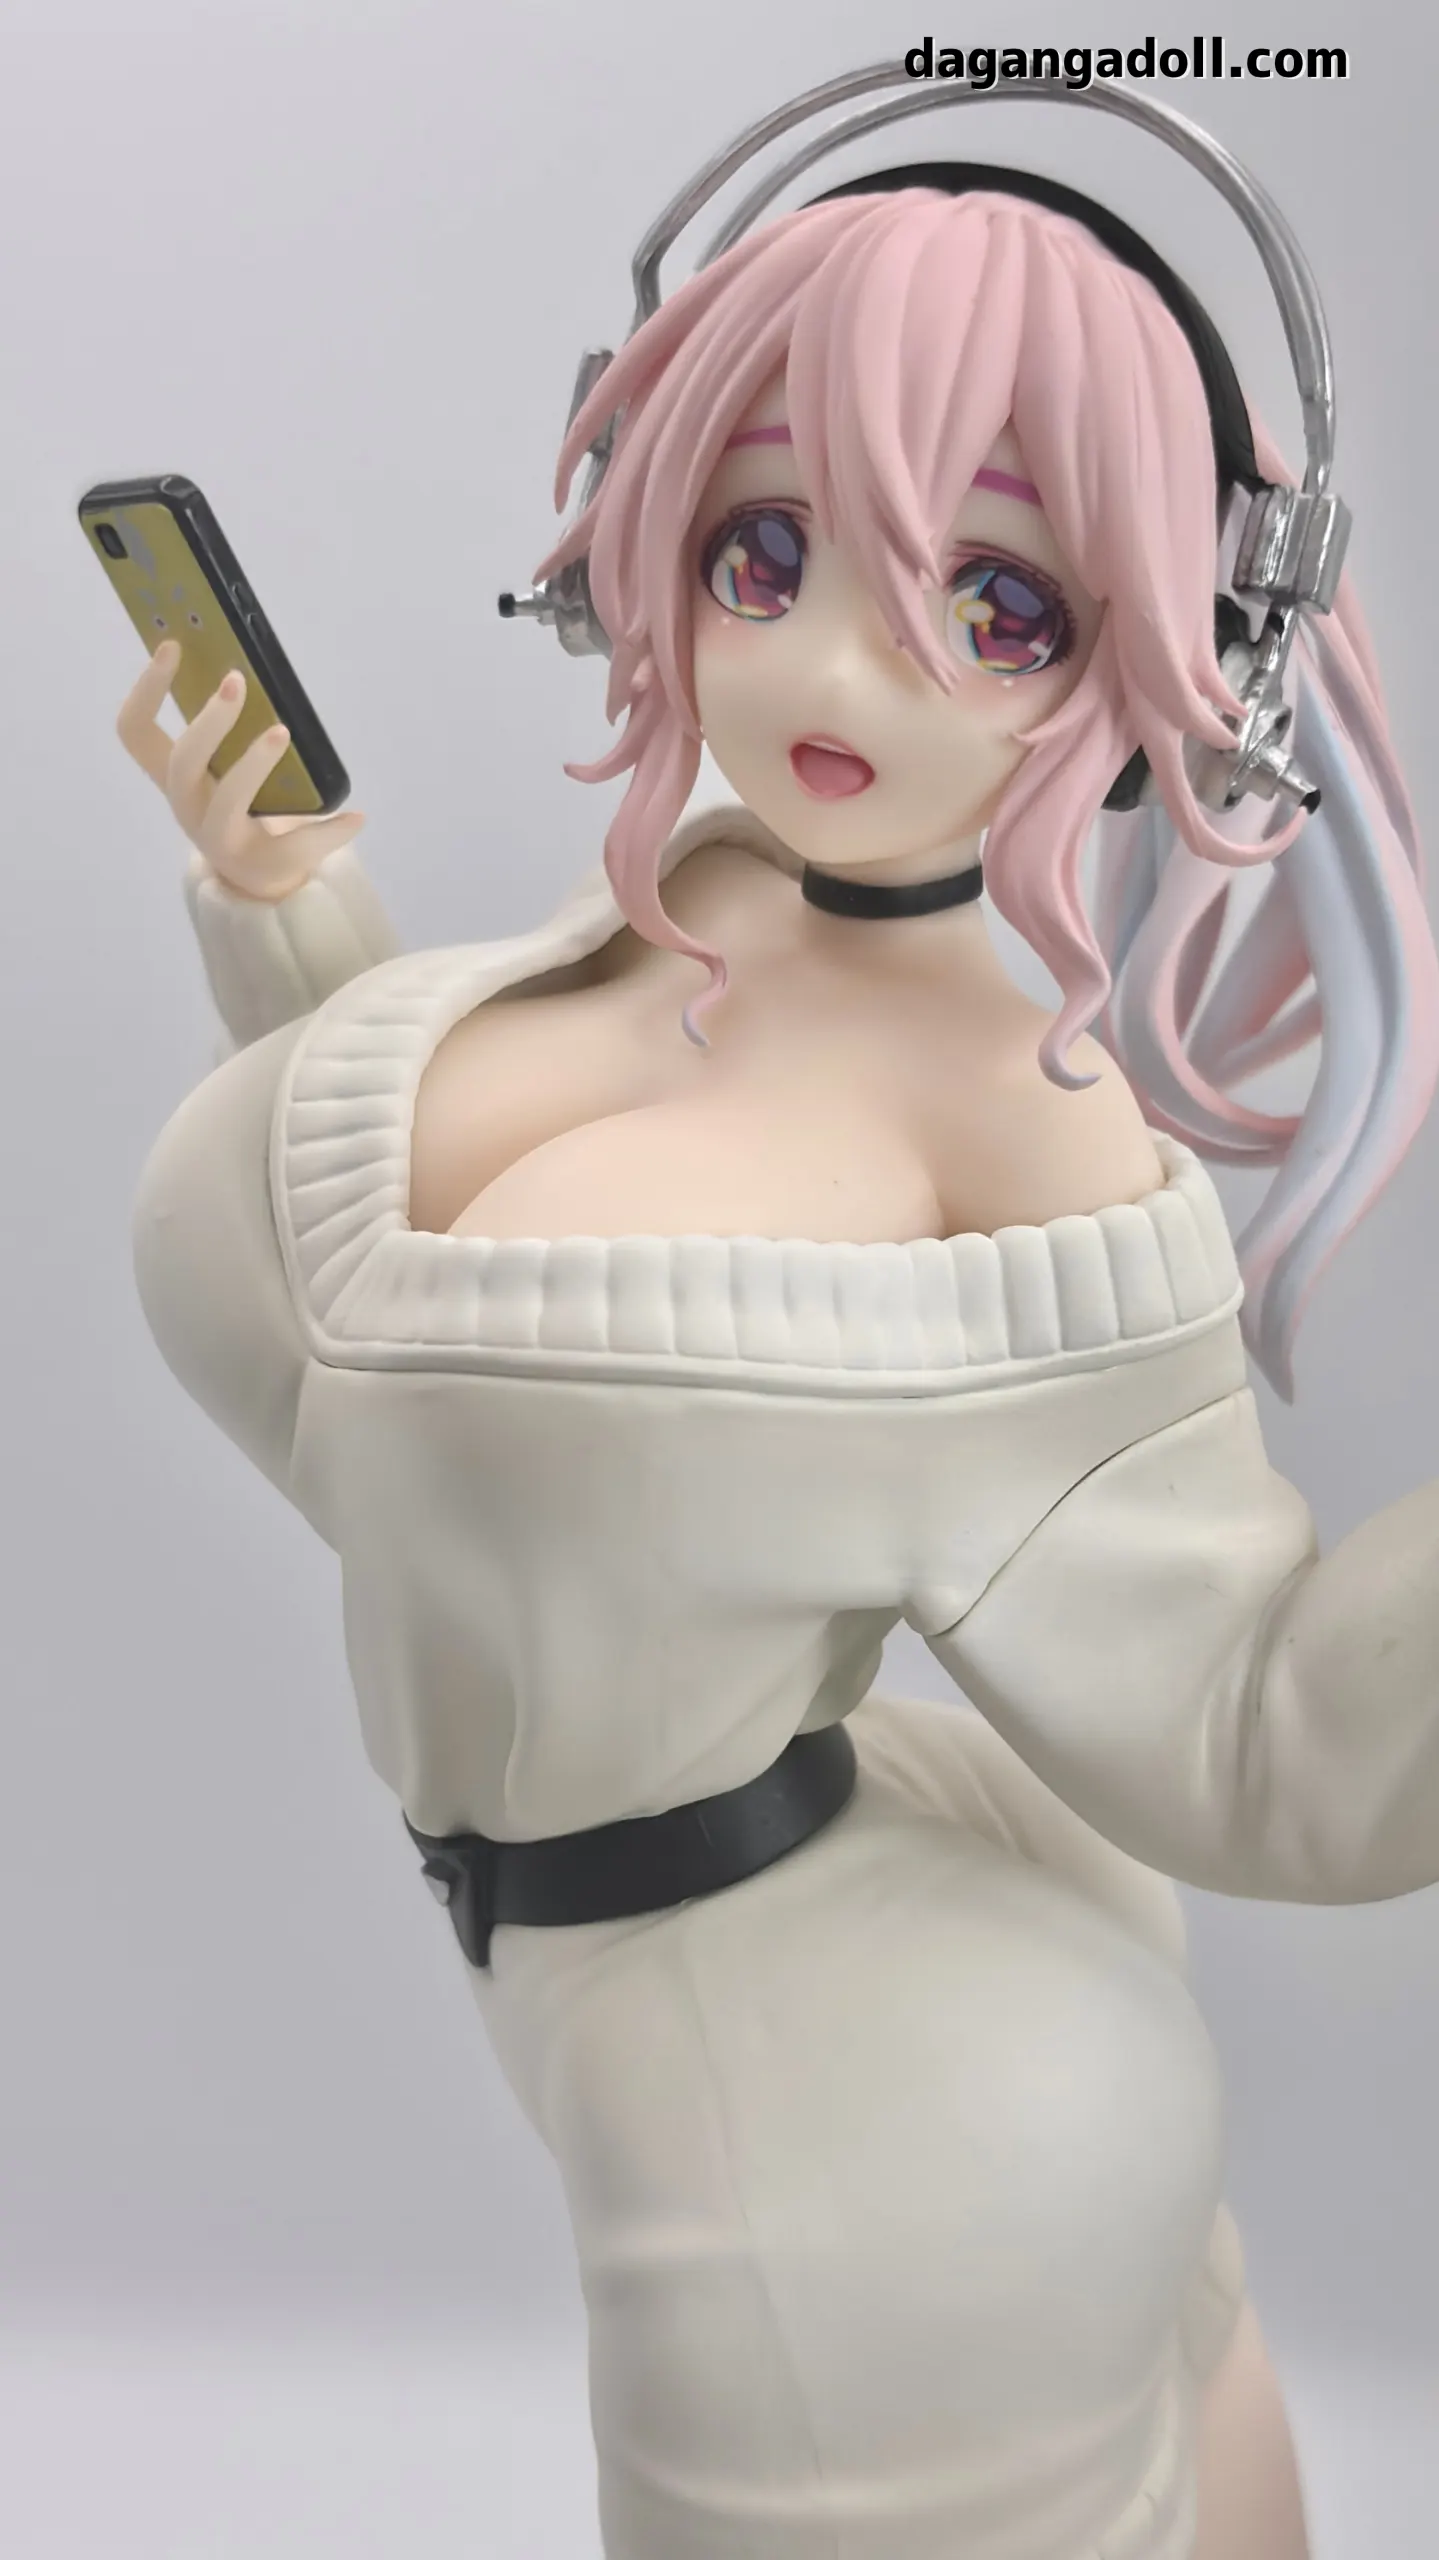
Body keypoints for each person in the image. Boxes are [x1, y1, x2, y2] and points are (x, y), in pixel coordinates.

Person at [122, 177, 1439, 2560]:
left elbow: (1269, 1729)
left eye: (994, 604)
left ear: (1172, 650)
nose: (836, 670)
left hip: (857, 2170)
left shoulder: (1026, 1128)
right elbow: (423, 1354)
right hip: (689, 2003)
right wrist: (286, 903)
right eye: (763, 551)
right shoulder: (700, 893)